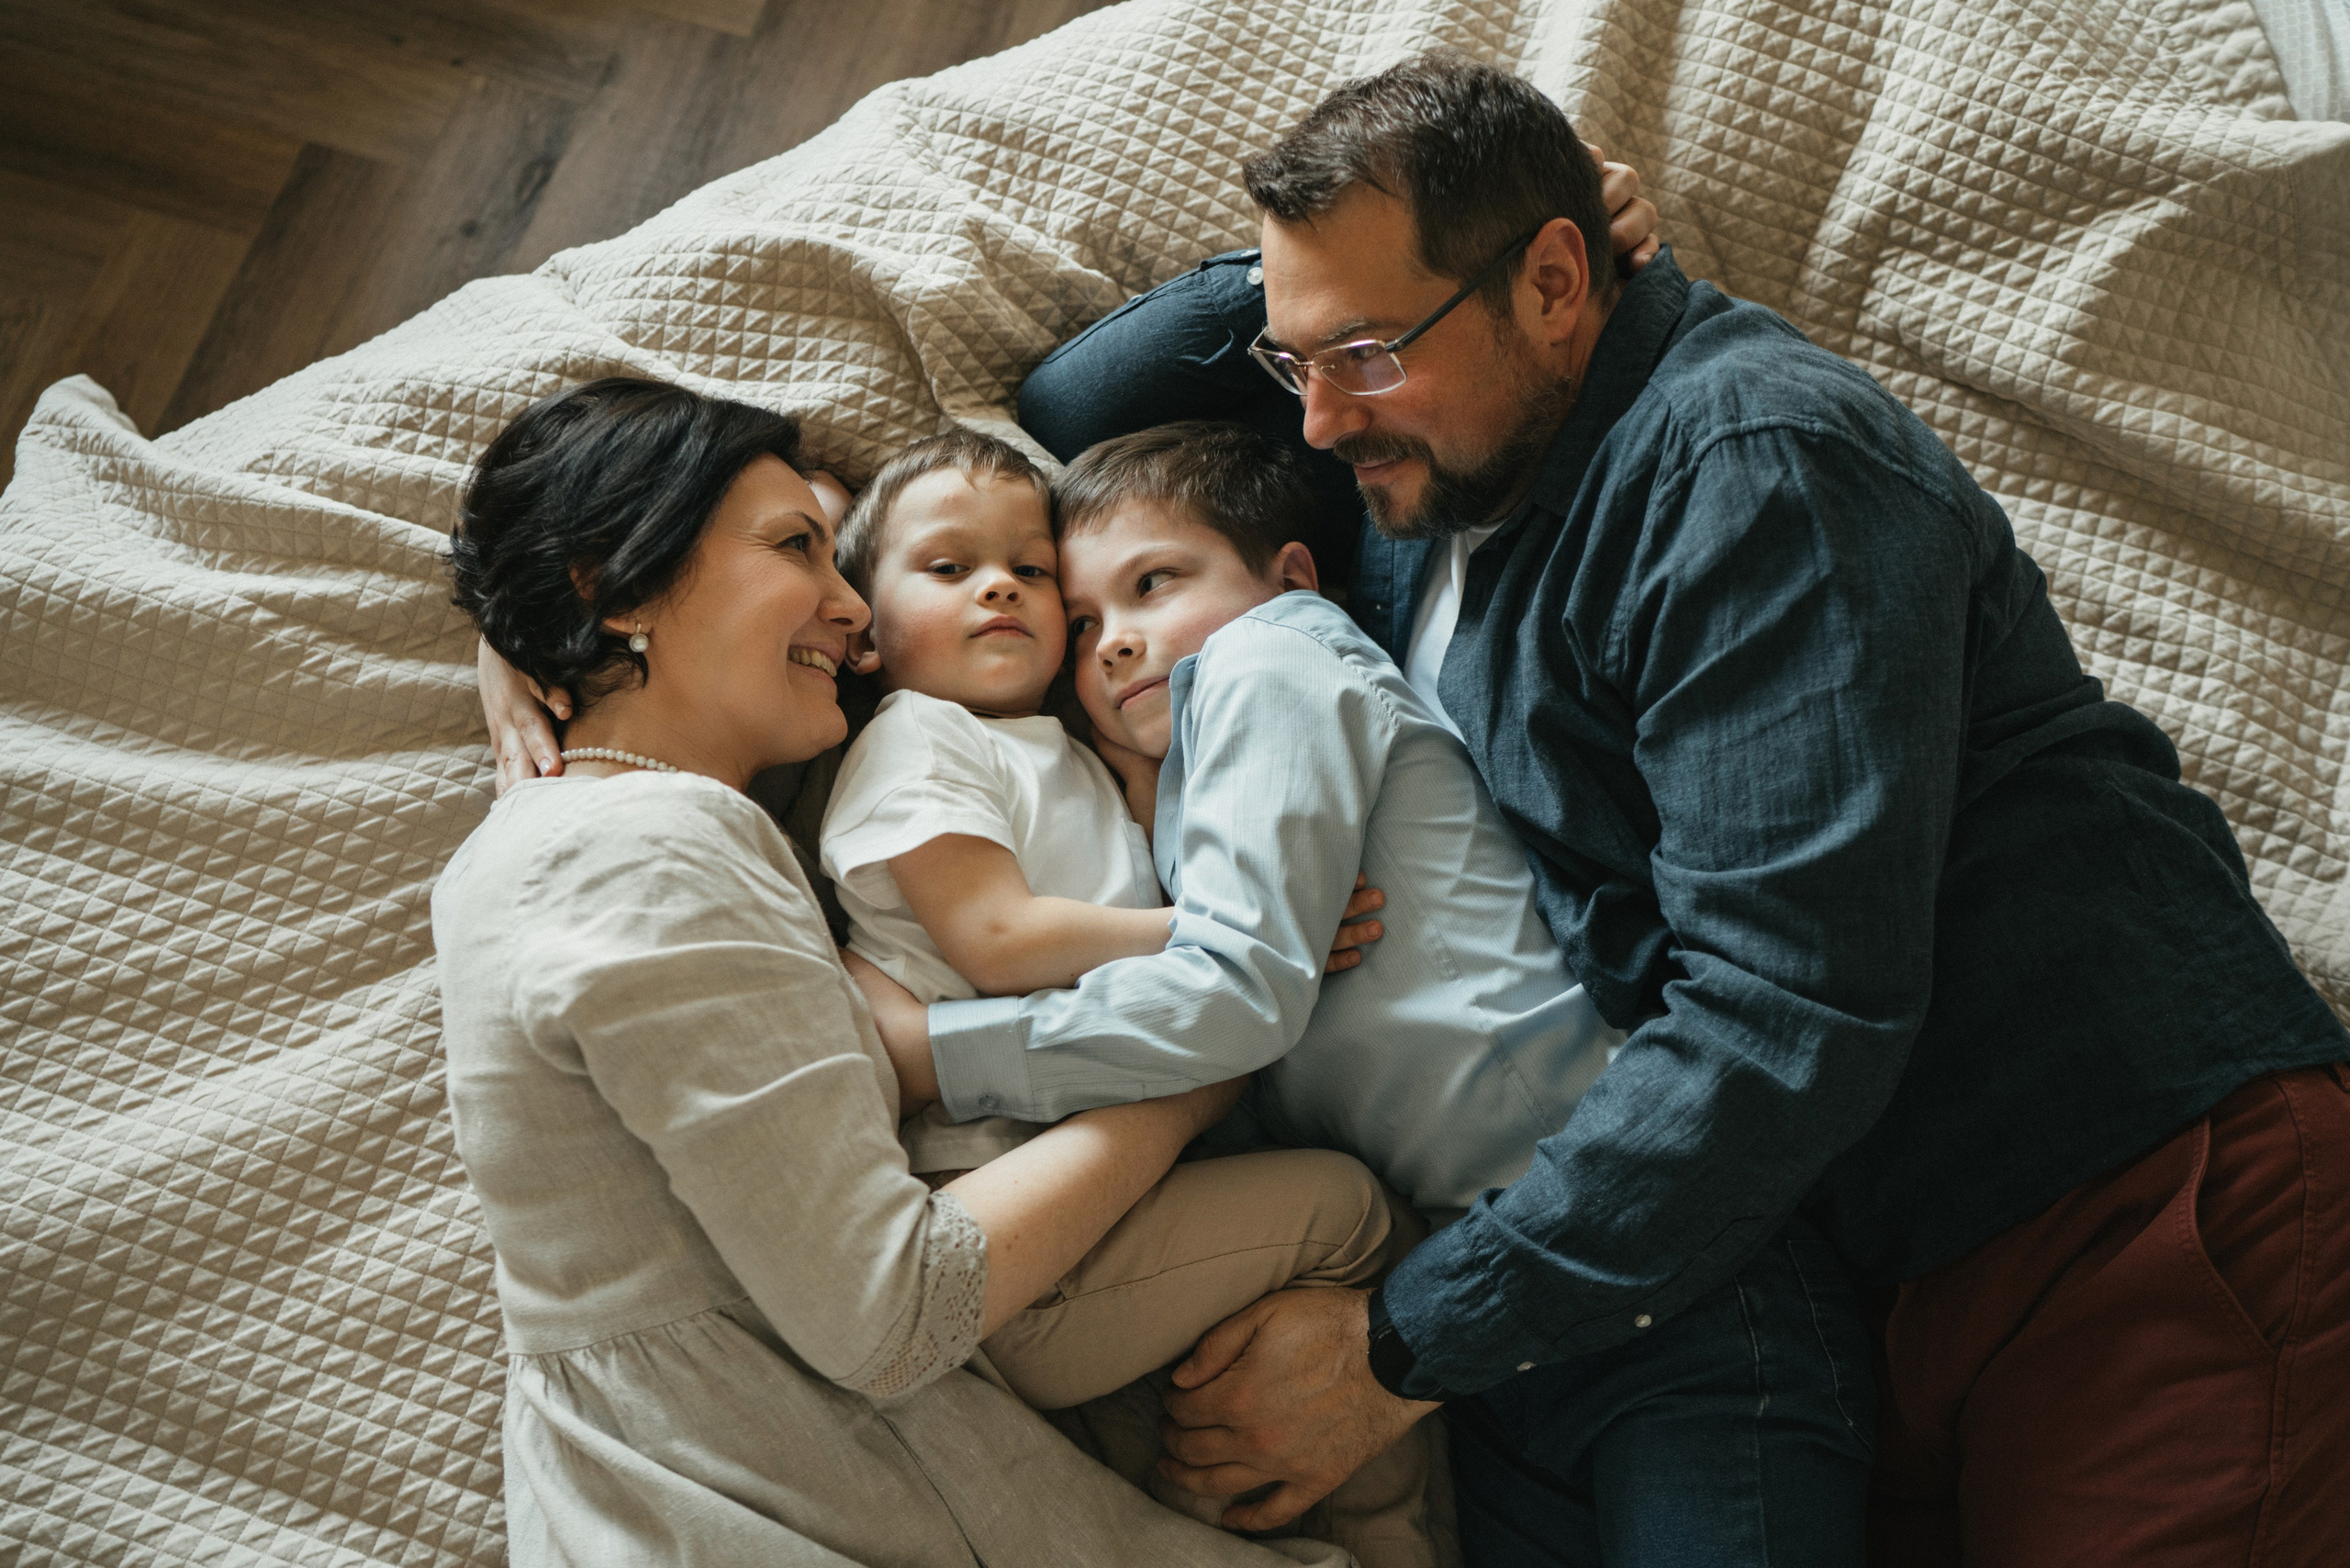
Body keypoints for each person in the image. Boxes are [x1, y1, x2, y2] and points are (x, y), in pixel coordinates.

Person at [1009, 49, 2350, 1568]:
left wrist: (1396, 1345)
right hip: (1820, 1271)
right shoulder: (1401, 505)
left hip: (2119, 1196)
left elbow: (1789, 1012)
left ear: (1559, 288)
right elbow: (1078, 402)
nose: (1315, 423)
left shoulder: (1753, 462)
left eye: (1366, 351)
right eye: (1291, 360)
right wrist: (1379, 278)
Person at [853, 419, 1874, 1562]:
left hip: (1658, 1268)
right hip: (1476, 1320)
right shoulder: (1163, 799)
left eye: (1154, 585)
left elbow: (1235, 1003)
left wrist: (936, 1051)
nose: (1116, 646)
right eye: (1083, 624)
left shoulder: (1268, 654)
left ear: (1289, 573)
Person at [431, 375, 1352, 1567]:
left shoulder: (575, 838)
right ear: (615, 583)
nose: (853, 611)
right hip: (754, 1485)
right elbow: (896, 1316)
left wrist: (532, 631)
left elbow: (1007, 511)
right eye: (800, 551)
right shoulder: (645, 850)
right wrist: (1195, 1074)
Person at [815, 426, 1438, 1568]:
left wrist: (1147, 770)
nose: (1000, 583)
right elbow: (998, 939)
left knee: (1212, 1455)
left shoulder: (1063, 749)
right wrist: (1223, 931)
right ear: (862, 629)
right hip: (1015, 1220)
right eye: (948, 569)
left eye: (1032, 570)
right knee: (1358, 1217)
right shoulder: (919, 737)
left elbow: (1168, 856)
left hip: (1123, 1197)